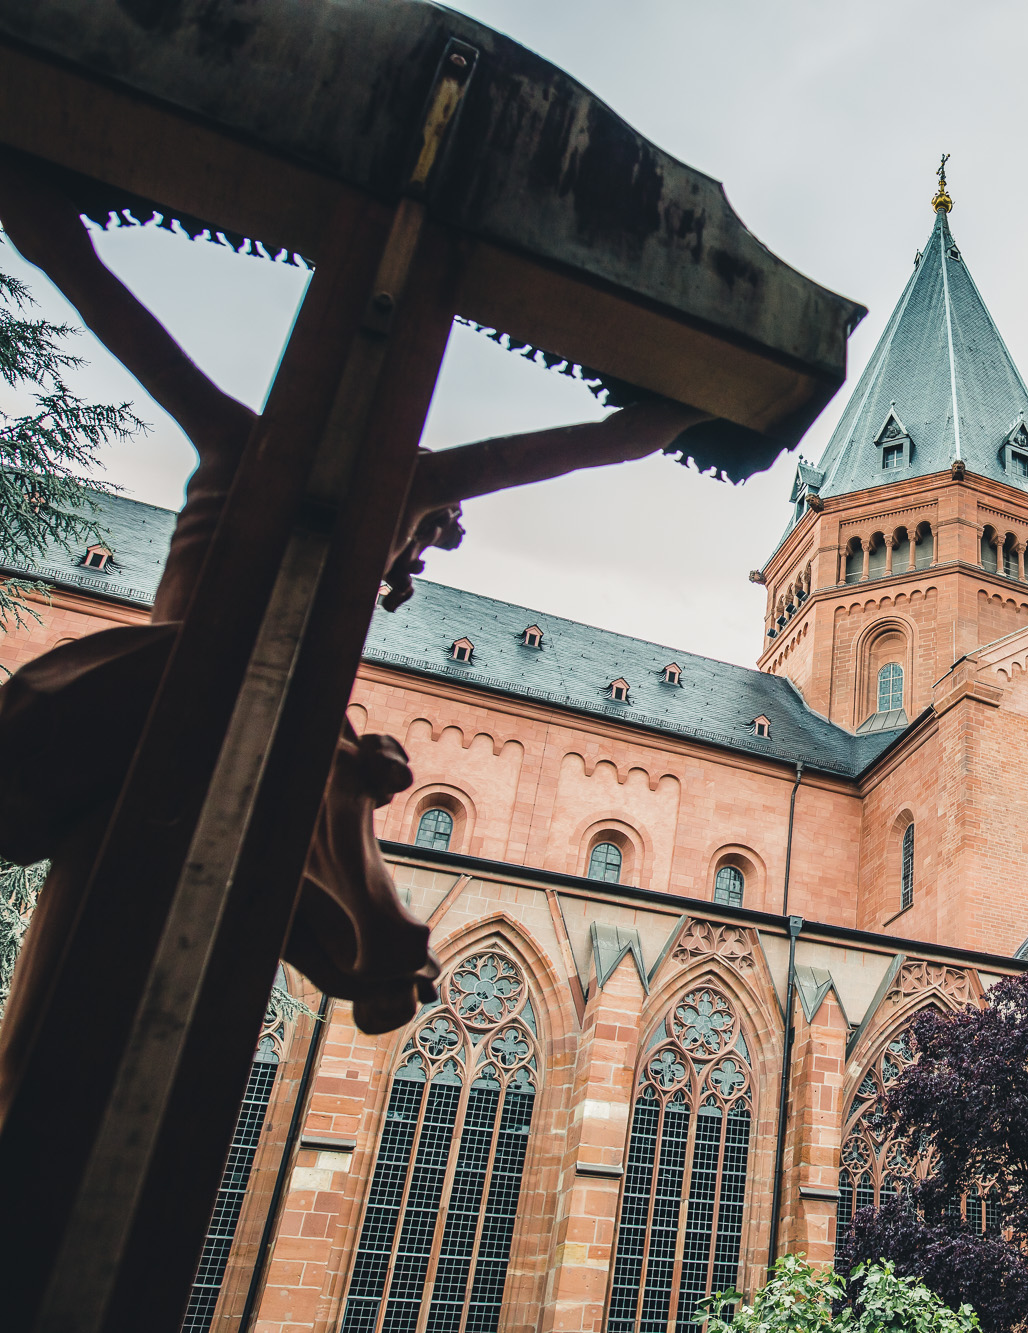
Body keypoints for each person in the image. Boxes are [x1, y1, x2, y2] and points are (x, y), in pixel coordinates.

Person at [0, 153, 715, 1057]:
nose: (413, 558)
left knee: (96, 951)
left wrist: (30, 202)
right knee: (267, 941)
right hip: (226, 706)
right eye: (429, 541)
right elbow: (598, 444)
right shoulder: (399, 485)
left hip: (173, 697)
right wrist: (707, 402)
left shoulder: (240, 436)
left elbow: (97, 291)